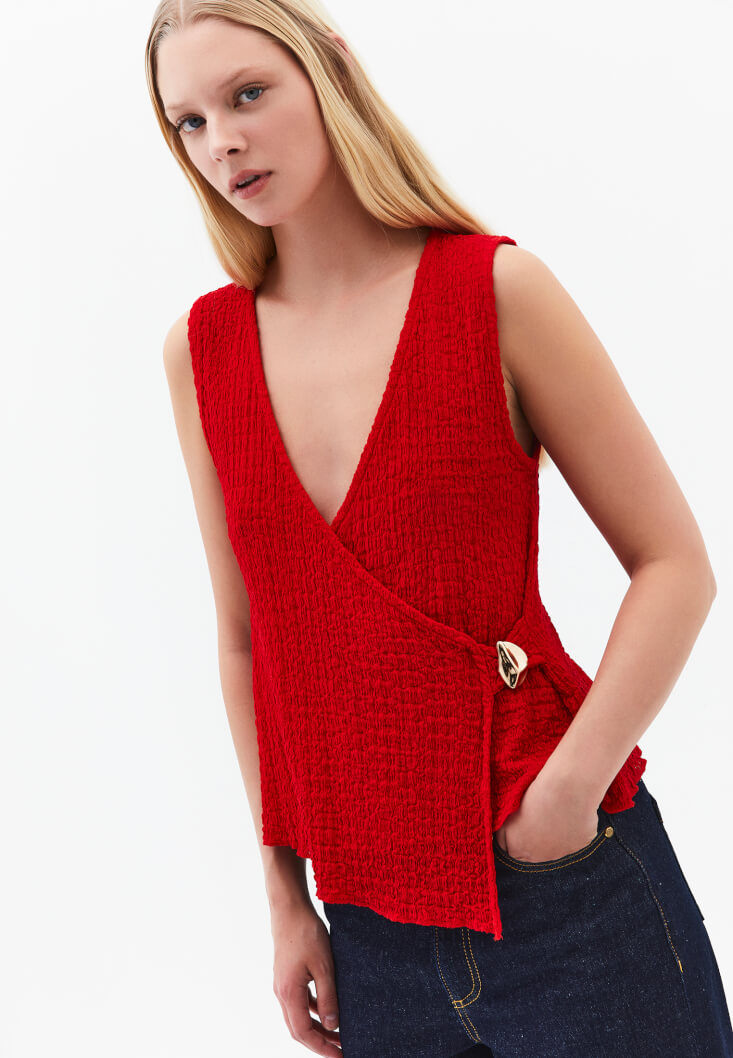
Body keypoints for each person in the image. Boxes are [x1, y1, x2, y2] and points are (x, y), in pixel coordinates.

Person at [146, 2, 733, 1055]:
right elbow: (247, 640)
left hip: (571, 894)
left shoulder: (494, 291)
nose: (221, 141)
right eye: (188, 121)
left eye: (247, 94)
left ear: (332, 70)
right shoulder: (203, 351)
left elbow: (675, 564)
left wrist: (564, 798)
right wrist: (284, 895)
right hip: (366, 928)